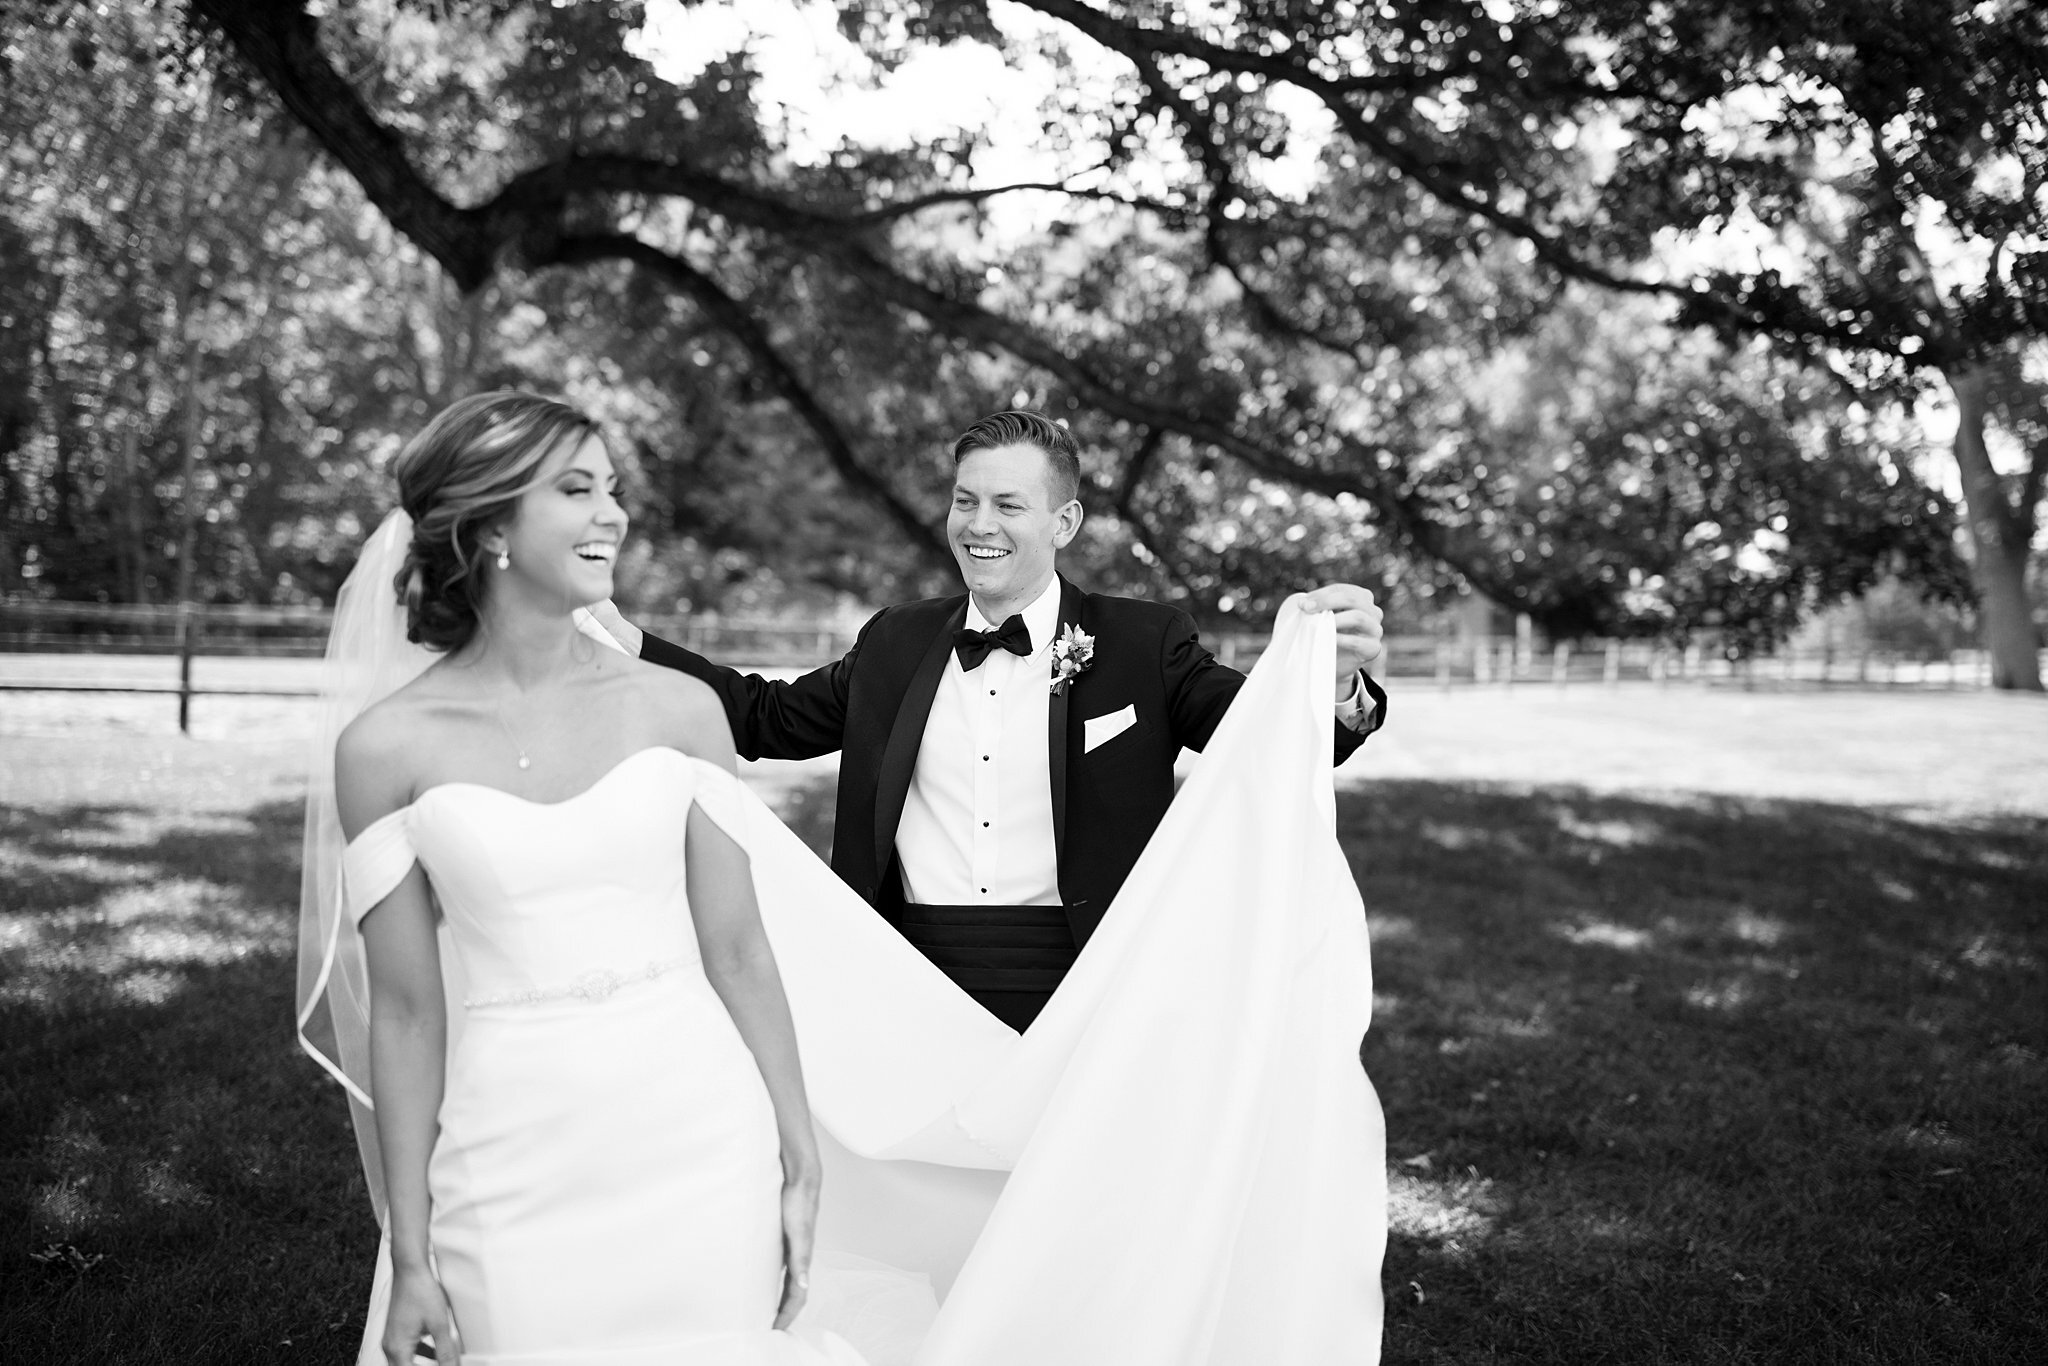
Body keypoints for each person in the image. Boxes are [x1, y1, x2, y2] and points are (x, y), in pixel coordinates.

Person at [302, 392, 860, 1365]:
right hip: (508, 1140)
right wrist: (412, 1247)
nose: (614, 514)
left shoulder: (683, 710)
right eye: (576, 488)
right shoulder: (383, 749)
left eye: (612, 488)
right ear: (488, 526)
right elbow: (404, 1010)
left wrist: (796, 1145)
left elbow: (736, 947)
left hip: (699, 1131)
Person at [590, 409, 1388, 1029]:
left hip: (1088, 979)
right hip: (908, 973)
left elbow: (1264, 736)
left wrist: (1336, 679)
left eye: (1009, 504)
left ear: (1063, 525)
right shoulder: (895, 639)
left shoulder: (1145, 643)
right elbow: (763, 719)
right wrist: (619, 635)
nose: (979, 525)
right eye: (965, 501)